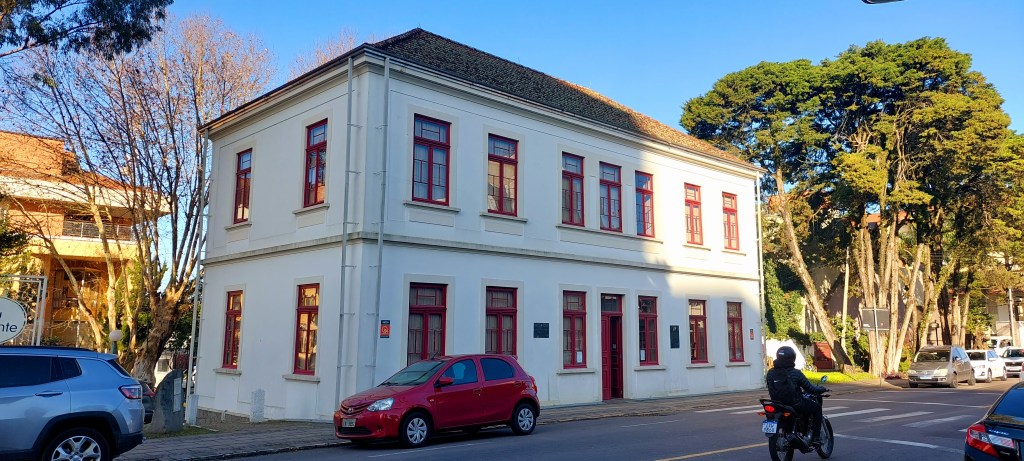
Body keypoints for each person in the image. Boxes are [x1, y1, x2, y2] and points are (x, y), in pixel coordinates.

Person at [766, 346, 827, 445]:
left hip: (777, 404)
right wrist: (821, 389)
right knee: (817, 409)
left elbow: (770, 388)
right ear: (792, 358)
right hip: (795, 404)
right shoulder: (796, 373)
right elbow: (811, 389)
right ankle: (816, 438)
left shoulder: (770, 373)